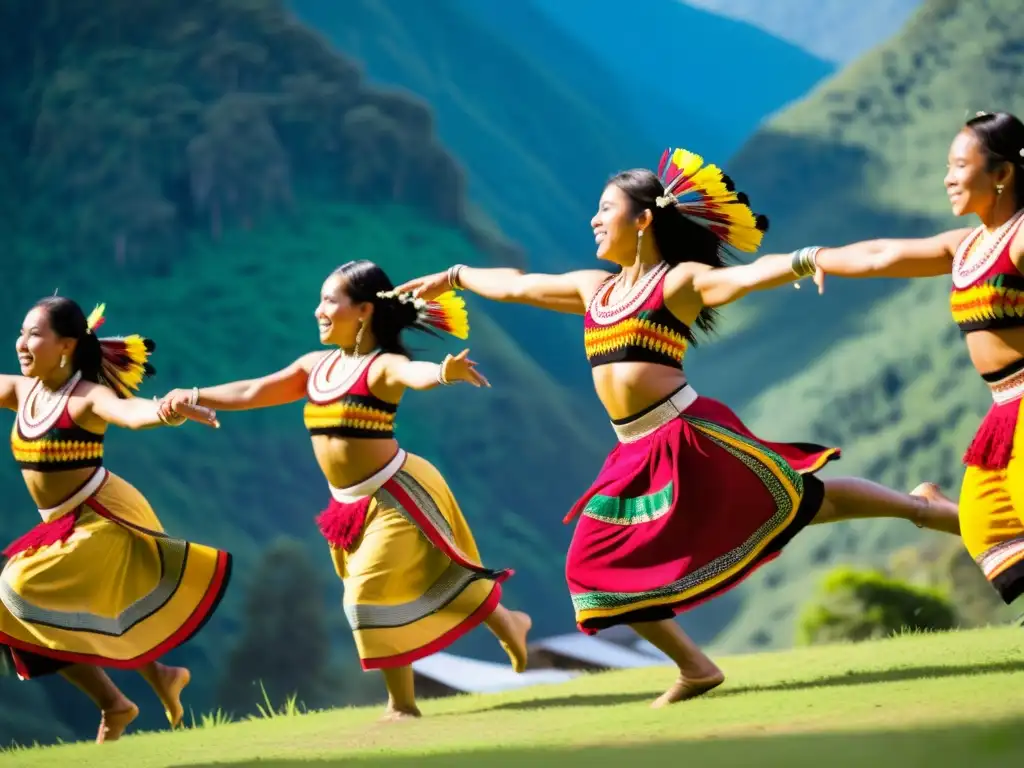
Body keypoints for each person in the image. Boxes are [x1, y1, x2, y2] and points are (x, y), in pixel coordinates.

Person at [395, 147, 962, 707]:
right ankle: (697, 666)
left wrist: (804, 260)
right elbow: (518, 285)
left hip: (689, 435)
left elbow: (748, 278)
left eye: (605, 208)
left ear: (643, 220)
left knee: (807, 500)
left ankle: (924, 509)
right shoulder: (595, 289)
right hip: (634, 450)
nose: (593, 219)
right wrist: (455, 275)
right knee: (592, 569)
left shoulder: (678, 283)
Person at [158, 260, 531, 721]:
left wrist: (443, 373)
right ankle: (509, 621)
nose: (318, 310)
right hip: (348, 507)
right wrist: (193, 394)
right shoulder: (314, 367)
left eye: (329, 301)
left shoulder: (382, 367)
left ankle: (402, 707)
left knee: (366, 594)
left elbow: (414, 374)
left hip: (397, 493)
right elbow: (254, 389)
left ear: (364, 312)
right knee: (435, 579)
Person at [777, 111, 1024, 609]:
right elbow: (879, 255)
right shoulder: (967, 246)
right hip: (1003, 412)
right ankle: (931, 507)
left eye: (959, 166)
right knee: (984, 524)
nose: (948, 178)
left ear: (1001, 174)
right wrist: (813, 258)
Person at [0, 297, 229, 744]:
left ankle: (142, 685)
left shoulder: (87, 397)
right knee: (23, 615)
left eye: (34, 335)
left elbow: (132, 413)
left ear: (66, 345)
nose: (22, 344)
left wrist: (167, 408)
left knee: (17, 589)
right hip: (61, 525)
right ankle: (124, 698)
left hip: (104, 518)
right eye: (21, 333)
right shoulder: (20, 391)